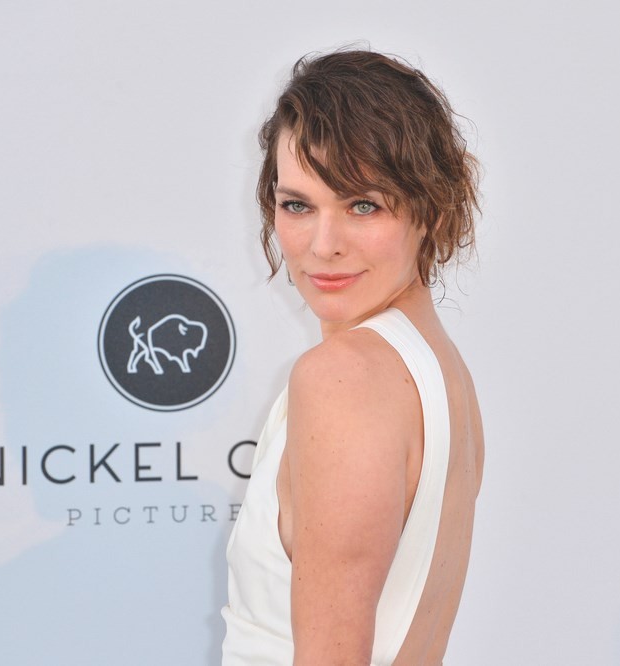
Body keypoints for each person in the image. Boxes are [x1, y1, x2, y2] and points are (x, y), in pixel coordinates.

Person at [222, 48, 484, 665]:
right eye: (298, 205)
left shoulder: (345, 378)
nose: (324, 245)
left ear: (431, 209)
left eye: (363, 205)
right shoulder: (439, 370)